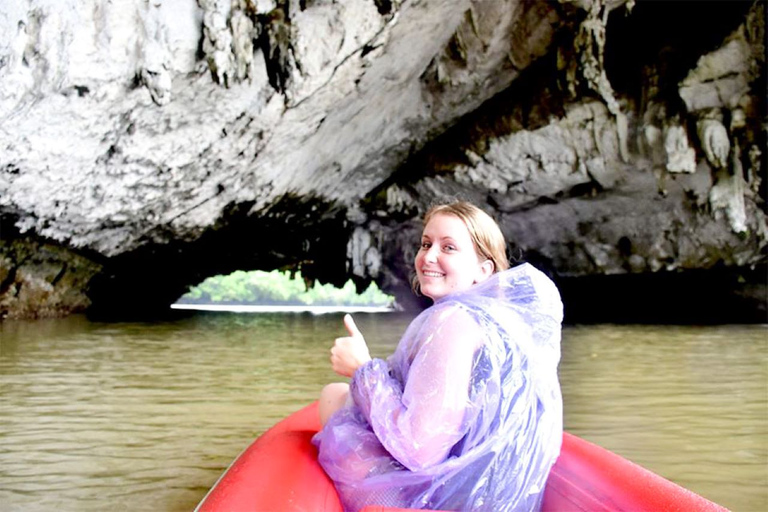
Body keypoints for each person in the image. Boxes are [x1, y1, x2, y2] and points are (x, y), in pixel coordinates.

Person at [313, 201, 563, 512]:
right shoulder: (492, 321)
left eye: (449, 247)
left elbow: (420, 449)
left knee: (332, 398)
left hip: (444, 504)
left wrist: (362, 368)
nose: (429, 256)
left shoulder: (453, 322)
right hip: (488, 497)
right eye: (426, 243)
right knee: (336, 395)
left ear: (482, 271)